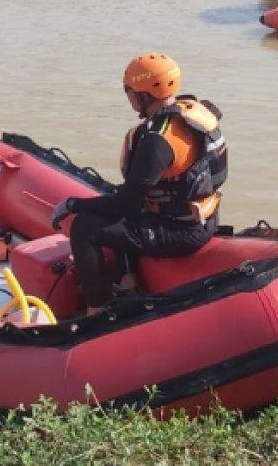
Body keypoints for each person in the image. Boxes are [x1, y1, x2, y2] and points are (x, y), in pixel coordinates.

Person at [49, 53, 227, 316]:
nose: (129, 99)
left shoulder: (158, 140)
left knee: (84, 226)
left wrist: (73, 204)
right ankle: (127, 282)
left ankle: (95, 311)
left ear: (143, 95)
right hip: (204, 218)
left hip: (181, 232)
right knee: (121, 211)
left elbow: (125, 202)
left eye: (129, 92)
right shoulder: (189, 114)